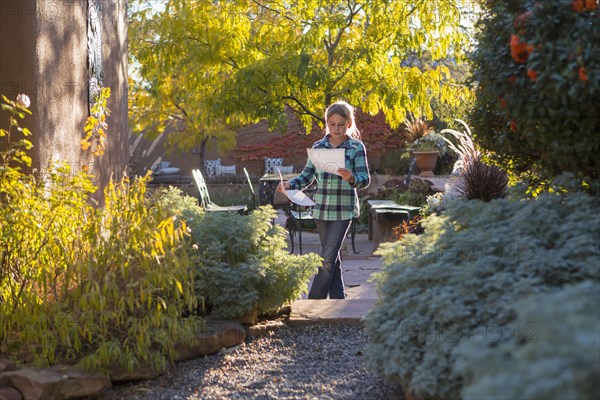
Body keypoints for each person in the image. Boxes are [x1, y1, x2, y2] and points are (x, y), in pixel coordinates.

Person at [277, 100, 370, 299]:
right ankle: (339, 301)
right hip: (321, 210)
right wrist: (288, 185)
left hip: (343, 211)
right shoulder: (318, 147)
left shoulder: (356, 147)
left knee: (326, 259)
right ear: (327, 123)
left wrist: (351, 177)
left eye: (341, 124)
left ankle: (313, 301)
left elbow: (365, 180)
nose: (336, 128)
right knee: (332, 259)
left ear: (349, 124)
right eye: (332, 124)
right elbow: (307, 176)